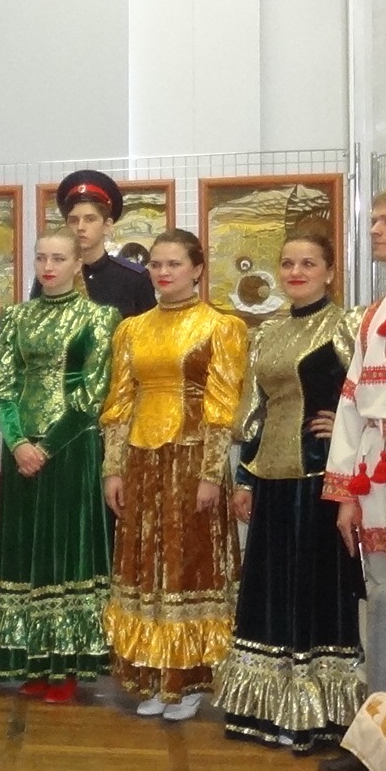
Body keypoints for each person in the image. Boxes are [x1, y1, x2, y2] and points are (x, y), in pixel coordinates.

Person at [212, 231, 363, 751]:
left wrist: (347, 424)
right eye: (288, 263)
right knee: (271, 592)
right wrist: (244, 479)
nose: (296, 272)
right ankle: (267, 710)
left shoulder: (347, 324)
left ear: (330, 272)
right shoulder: (267, 333)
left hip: (321, 480)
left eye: (308, 264)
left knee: (313, 591)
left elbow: (371, 391)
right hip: (272, 482)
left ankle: (316, 716)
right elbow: (254, 414)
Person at [101, 229, 247, 721]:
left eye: (174, 264)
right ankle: (150, 675)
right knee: (144, 567)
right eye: (156, 264)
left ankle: (187, 682)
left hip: (191, 458)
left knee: (188, 565)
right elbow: (119, 403)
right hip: (141, 459)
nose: (163, 273)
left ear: (197, 269)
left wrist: (211, 472)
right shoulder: (131, 329)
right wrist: (113, 468)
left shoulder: (221, 326)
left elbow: (223, 405)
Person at [0, 229, 120, 703]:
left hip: (72, 448)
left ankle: (65, 667)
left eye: (59, 258)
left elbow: (93, 391)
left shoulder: (100, 317)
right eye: (41, 258)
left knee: (65, 550)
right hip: (20, 448)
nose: (48, 267)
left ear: (78, 264)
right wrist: (19, 442)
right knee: (24, 549)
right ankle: (30, 660)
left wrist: (47, 446)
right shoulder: (13, 317)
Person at [321, 183, 386, 771]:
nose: (375, 229)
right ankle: (379, 735)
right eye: (373, 220)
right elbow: (351, 406)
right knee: (381, 601)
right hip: (377, 478)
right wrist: (345, 495)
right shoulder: (373, 314)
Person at [30, 171, 156, 319]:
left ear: (107, 225)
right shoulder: (54, 275)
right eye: (74, 220)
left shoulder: (134, 278)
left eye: (90, 219)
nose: (80, 227)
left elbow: (149, 328)